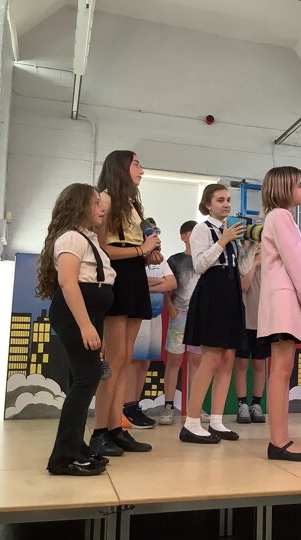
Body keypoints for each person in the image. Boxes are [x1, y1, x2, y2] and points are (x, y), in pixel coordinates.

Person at [37, 183, 115, 476]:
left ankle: (76, 446)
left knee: (82, 379)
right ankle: (63, 456)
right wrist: (84, 325)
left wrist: (93, 326)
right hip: (75, 314)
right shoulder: (71, 238)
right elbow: (68, 282)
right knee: (86, 378)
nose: (101, 208)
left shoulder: (87, 237)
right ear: (80, 206)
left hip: (89, 314)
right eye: (95, 203)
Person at [90, 150, 162, 456]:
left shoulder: (131, 203)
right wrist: (141, 250)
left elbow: (133, 245)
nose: (141, 170)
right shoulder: (104, 199)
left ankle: (116, 427)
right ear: (120, 167)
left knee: (126, 357)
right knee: (115, 358)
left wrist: (148, 253)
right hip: (117, 276)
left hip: (134, 274)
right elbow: (101, 248)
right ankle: (99, 431)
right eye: (136, 164)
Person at [259, 166, 301, 461]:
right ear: (285, 188)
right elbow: (296, 265)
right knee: (281, 372)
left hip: (279, 301)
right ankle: (279, 441)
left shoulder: (276, 217)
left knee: (281, 371)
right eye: (298, 184)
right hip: (284, 301)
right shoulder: (281, 217)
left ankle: (280, 439)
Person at [179, 184, 246, 444]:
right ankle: (192, 421)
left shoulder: (230, 230)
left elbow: (238, 266)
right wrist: (223, 241)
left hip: (231, 292)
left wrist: (250, 248)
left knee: (228, 357)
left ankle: (217, 420)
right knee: (211, 357)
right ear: (208, 204)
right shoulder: (202, 228)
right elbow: (199, 265)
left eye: (228, 199)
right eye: (220, 200)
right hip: (212, 292)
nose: (226, 204)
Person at [159, 220, 208, 426]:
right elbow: (166, 288)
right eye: (193, 232)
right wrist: (171, 310)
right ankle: (168, 406)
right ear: (184, 236)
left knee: (197, 362)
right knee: (174, 361)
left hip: (199, 318)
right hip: (180, 316)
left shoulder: (205, 260)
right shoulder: (175, 260)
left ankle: (195, 408)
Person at [130, 258, 176, 425]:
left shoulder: (161, 260)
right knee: (134, 362)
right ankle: (127, 407)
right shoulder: (135, 259)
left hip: (155, 317)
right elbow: (134, 283)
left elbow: (171, 283)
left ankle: (135, 406)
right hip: (137, 316)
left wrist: (147, 285)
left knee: (145, 363)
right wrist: (159, 281)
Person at [233, 241, 269, 424]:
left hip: (262, 322)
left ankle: (256, 404)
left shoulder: (271, 261)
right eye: (253, 241)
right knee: (241, 363)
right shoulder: (241, 260)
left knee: (259, 364)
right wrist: (254, 263)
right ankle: (242, 405)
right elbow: (244, 286)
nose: (257, 244)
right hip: (243, 321)